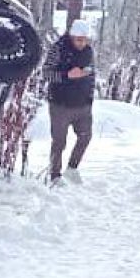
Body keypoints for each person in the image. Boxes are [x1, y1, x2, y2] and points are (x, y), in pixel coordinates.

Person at [43, 19, 95, 185]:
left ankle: (72, 168)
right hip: (60, 104)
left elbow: (92, 72)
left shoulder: (88, 51)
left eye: (85, 39)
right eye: (78, 39)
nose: (82, 43)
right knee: (59, 142)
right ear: (71, 37)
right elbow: (45, 73)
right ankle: (54, 176)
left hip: (83, 104)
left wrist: (89, 97)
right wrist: (66, 76)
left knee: (85, 137)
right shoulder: (58, 49)